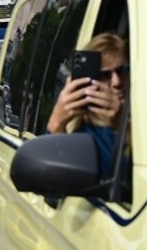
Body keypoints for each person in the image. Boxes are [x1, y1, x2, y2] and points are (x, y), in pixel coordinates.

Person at [48, 32, 128, 178]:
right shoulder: (85, 137)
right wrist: (56, 124)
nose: (117, 82)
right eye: (105, 76)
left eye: (121, 71)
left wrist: (123, 124)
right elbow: (55, 192)